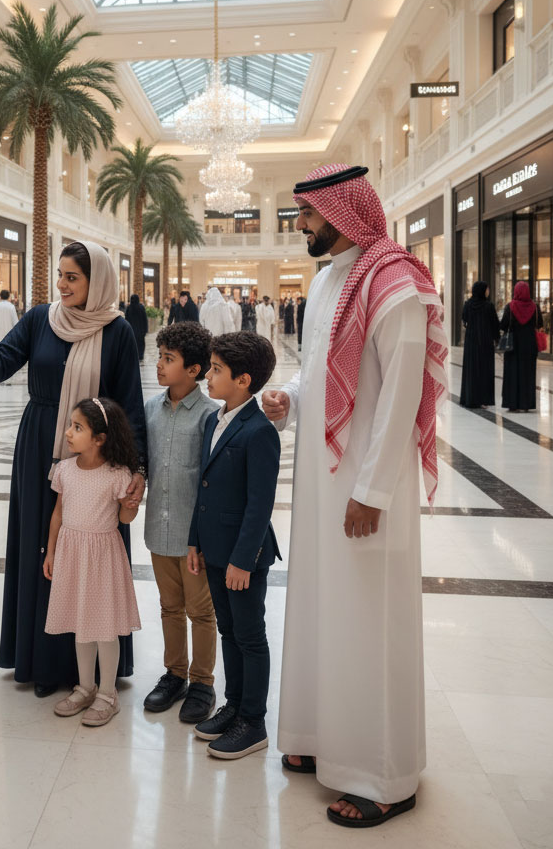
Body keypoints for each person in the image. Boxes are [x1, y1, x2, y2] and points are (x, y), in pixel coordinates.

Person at [261, 163, 446, 828]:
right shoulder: (328, 280)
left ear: (340, 213)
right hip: (321, 486)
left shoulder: (395, 283)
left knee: (368, 625)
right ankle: (319, 739)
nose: (302, 225)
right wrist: (291, 397)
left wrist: (372, 489)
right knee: (321, 612)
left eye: (307, 214)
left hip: (369, 491)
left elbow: (398, 397)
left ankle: (384, 776)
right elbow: (325, 376)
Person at [0, 241, 147, 696]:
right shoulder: (39, 319)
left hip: (98, 459)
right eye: (61, 275)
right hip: (40, 448)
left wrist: (137, 471)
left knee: (93, 550)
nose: (63, 285)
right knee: (42, 548)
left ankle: (94, 673)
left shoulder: (118, 332)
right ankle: (43, 661)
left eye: (73, 277)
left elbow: (130, 407)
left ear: (96, 281)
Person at [187, 331, 281, 759]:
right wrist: (194, 541)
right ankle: (234, 705)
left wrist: (243, 560)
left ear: (243, 380)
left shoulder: (260, 432)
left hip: (244, 556)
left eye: (217, 370)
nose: (208, 375)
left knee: (249, 636)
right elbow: (202, 488)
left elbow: (260, 505)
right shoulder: (214, 419)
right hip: (214, 549)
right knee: (227, 630)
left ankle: (254, 720)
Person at [44, 397, 142, 726]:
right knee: (81, 625)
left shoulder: (117, 474)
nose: (69, 432)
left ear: (99, 438)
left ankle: (108, 693)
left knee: (105, 628)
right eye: (71, 425)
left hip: (102, 556)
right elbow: (58, 512)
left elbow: (126, 518)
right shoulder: (64, 469)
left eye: (77, 427)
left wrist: (132, 503)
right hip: (72, 553)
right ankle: (86, 687)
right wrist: (52, 550)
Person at [142, 322, 219, 724]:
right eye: (160, 356)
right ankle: (175, 674)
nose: (159, 365)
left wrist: (203, 538)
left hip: (194, 537)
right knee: (169, 607)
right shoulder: (151, 410)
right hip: (159, 528)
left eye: (169, 359)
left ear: (194, 370)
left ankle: (203, 683)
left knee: (200, 611)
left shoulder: (211, 415)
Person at [500, 281, 543, 412]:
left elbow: (503, 325)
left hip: (513, 344)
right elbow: (539, 323)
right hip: (529, 344)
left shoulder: (510, 306)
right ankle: (526, 404)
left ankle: (512, 403)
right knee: (528, 374)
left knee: (512, 373)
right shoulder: (535, 307)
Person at [459, 281, 500, 408]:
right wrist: (497, 339)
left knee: (471, 369)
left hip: (471, 342)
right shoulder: (489, 306)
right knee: (484, 370)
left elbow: (464, 320)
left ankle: (469, 398)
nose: (488, 292)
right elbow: (495, 325)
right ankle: (483, 400)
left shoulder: (468, 304)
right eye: (487, 289)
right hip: (485, 342)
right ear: (482, 291)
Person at [125, 293, 149, 361]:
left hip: (131, 330)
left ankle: (133, 355)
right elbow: (145, 319)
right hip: (140, 331)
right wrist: (146, 329)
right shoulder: (141, 307)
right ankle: (140, 355)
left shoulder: (129, 308)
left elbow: (126, 320)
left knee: (132, 344)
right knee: (141, 344)